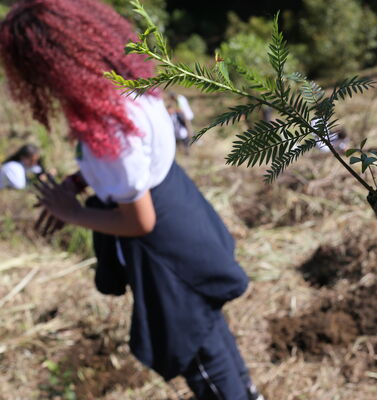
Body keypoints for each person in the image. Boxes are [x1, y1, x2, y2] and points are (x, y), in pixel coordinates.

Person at [0, 1, 263, 399]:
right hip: (183, 213)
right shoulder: (127, 85)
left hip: (165, 252)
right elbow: (130, 166)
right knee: (209, 329)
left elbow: (140, 222)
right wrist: (79, 181)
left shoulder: (108, 126)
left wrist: (72, 212)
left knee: (197, 352)